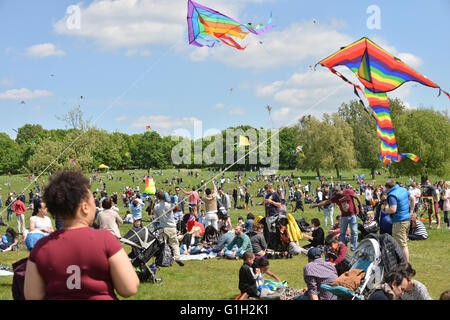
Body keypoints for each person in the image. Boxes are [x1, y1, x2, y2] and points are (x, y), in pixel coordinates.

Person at [24, 170, 139, 300]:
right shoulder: (106, 239)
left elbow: (32, 296)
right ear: (85, 207)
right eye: (93, 203)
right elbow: (129, 288)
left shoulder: (41, 247)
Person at [312, 185, 363, 251]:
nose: (334, 195)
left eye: (335, 193)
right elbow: (326, 202)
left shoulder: (347, 191)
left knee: (354, 232)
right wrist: (316, 205)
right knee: (342, 233)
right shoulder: (335, 198)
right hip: (344, 216)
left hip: (352, 215)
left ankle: (353, 248)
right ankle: (342, 247)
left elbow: (357, 197)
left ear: (338, 190)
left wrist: (361, 207)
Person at [384, 181, 415, 262]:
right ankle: (401, 263)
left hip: (399, 221)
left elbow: (393, 209)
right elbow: (413, 198)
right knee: (402, 243)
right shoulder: (403, 189)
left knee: (402, 245)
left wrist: (385, 209)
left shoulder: (392, 195)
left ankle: (406, 265)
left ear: (387, 188)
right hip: (407, 220)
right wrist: (411, 211)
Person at [153, 189, 184, 266]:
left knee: (163, 244)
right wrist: (172, 200)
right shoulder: (169, 205)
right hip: (172, 227)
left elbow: (156, 218)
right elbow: (176, 206)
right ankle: (177, 258)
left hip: (162, 227)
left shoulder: (156, 207)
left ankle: (162, 259)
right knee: (174, 243)